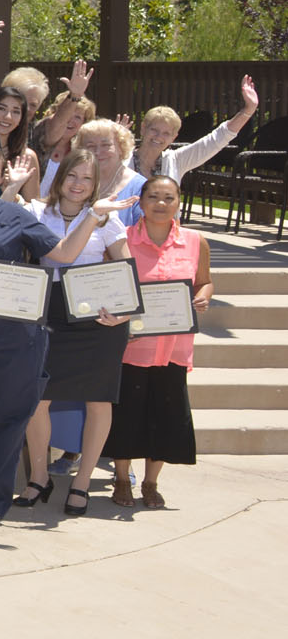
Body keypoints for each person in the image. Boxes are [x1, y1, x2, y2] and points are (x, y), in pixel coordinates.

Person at [0, 145, 134, 531]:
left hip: (17, 338)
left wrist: (92, 215)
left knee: (10, 418)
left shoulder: (16, 215)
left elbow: (64, 254)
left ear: (2, 179)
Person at [14, 149, 132, 515]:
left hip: (95, 319)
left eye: (87, 179)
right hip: (48, 311)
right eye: (73, 176)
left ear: (96, 185)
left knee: (98, 400)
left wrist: (123, 312)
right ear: (60, 177)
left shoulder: (107, 220)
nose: (79, 185)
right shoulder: (35, 211)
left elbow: (127, 268)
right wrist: (13, 184)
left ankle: (81, 483)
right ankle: (38, 476)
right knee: (38, 398)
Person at [106, 176, 209, 510]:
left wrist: (203, 298)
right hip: (132, 345)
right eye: (153, 196)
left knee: (165, 416)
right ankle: (122, 479)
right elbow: (112, 287)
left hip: (174, 346)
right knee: (127, 416)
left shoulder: (195, 241)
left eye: (169, 197)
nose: (161, 204)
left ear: (179, 202)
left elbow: (204, 283)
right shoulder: (123, 241)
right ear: (141, 201)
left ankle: (151, 484)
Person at [131, 75, 260, 183]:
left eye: (166, 133)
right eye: (154, 130)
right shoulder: (121, 159)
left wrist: (248, 110)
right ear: (143, 129)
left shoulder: (176, 160)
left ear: (174, 137)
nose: (159, 137)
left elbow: (218, 138)